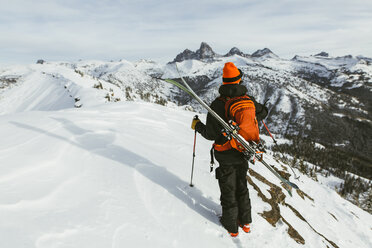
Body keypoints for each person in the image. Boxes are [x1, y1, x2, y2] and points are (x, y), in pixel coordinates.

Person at [191, 62, 268, 237]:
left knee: (228, 189)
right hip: (244, 151)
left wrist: (197, 126)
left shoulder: (218, 105)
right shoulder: (247, 100)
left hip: (225, 154)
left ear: (224, 82)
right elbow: (263, 113)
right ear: (239, 80)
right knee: (242, 186)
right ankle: (246, 222)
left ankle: (231, 226)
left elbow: (210, 134)